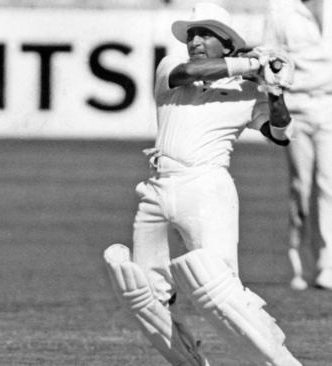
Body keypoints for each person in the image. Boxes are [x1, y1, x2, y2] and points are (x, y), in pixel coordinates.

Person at [102, 3, 301, 366]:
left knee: (221, 292)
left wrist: (274, 91)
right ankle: (189, 361)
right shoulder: (170, 69)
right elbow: (189, 72)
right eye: (192, 34)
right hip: (157, 188)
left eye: (204, 33)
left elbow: (281, 133)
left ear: (226, 43)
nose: (194, 41)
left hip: (206, 188)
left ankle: (280, 361)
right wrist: (254, 64)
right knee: (144, 293)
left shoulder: (246, 89)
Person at [262, 0, 332, 290]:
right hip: (298, 106)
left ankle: (326, 264)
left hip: (329, 103)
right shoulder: (280, 8)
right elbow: (267, 57)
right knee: (301, 186)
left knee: (329, 183)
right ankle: (296, 258)